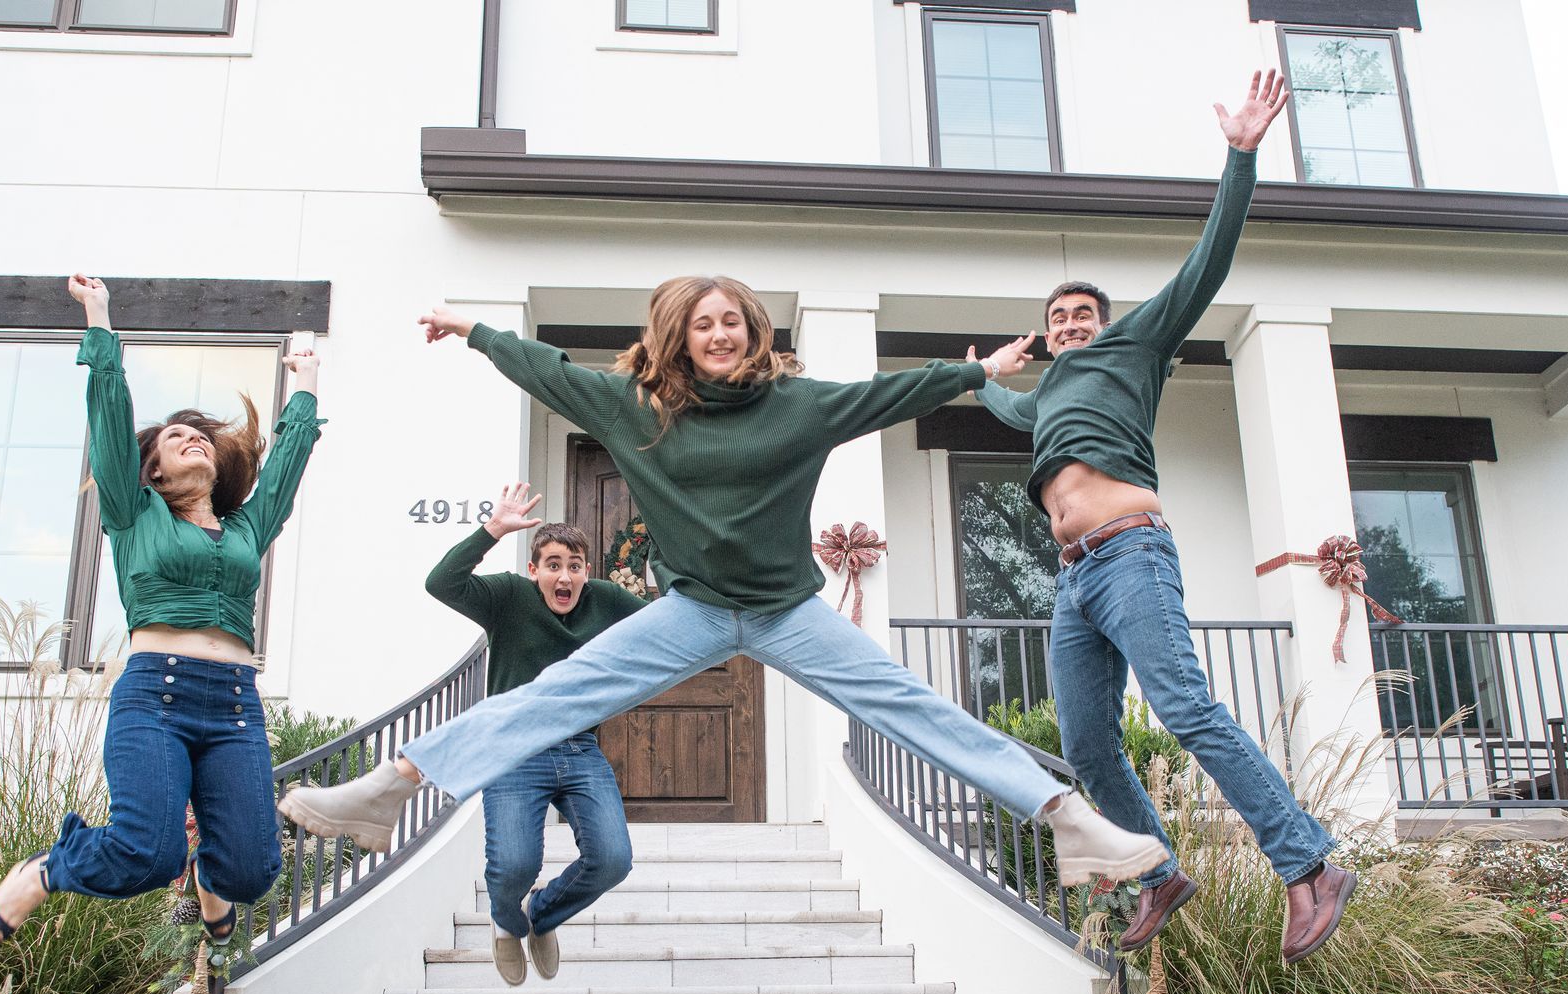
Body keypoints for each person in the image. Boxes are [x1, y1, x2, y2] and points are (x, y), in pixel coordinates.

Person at [278, 275, 1165, 886]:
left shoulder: (800, 405)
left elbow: (887, 393)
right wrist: (474, 330)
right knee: (554, 693)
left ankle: (1067, 819)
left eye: (733, 319)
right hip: (693, 612)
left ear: (752, 330)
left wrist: (976, 371)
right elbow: (546, 370)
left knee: (907, 703)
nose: (720, 333)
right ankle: (387, 788)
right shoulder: (633, 408)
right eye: (702, 324)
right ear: (679, 338)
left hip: (785, 612)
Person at [969, 70, 1354, 963]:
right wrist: (983, 376)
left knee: (1183, 706)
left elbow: (1206, 263)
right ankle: (1157, 873)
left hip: (1131, 554)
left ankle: (1307, 865)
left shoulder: (1135, 346)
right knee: (1087, 746)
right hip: (1073, 583)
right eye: (1057, 318)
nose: (1067, 326)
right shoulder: (1048, 403)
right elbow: (1009, 413)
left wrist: (1241, 157)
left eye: (1080, 316)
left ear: (1103, 326)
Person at [0, 275, 324, 952]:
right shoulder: (133, 516)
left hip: (232, 707)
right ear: (153, 472)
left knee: (253, 870)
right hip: (154, 697)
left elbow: (283, 470)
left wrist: (306, 385)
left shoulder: (246, 530)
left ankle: (211, 880)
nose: (192, 436)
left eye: (199, 434)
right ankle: (46, 871)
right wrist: (99, 319)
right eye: (174, 436)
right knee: (146, 853)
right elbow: (107, 418)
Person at [425, 483, 647, 984]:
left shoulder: (606, 600)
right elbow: (440, 583)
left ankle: (542, 916)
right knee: (513, 866)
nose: (564, 576)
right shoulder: (508, 597)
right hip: (512, 751)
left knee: (613, 859)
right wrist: (493, 530)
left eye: (574, 565)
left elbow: (669, 625)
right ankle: (508, 923)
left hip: (580, 750)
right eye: (552, 564)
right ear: (534, 571)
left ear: (586, 570)